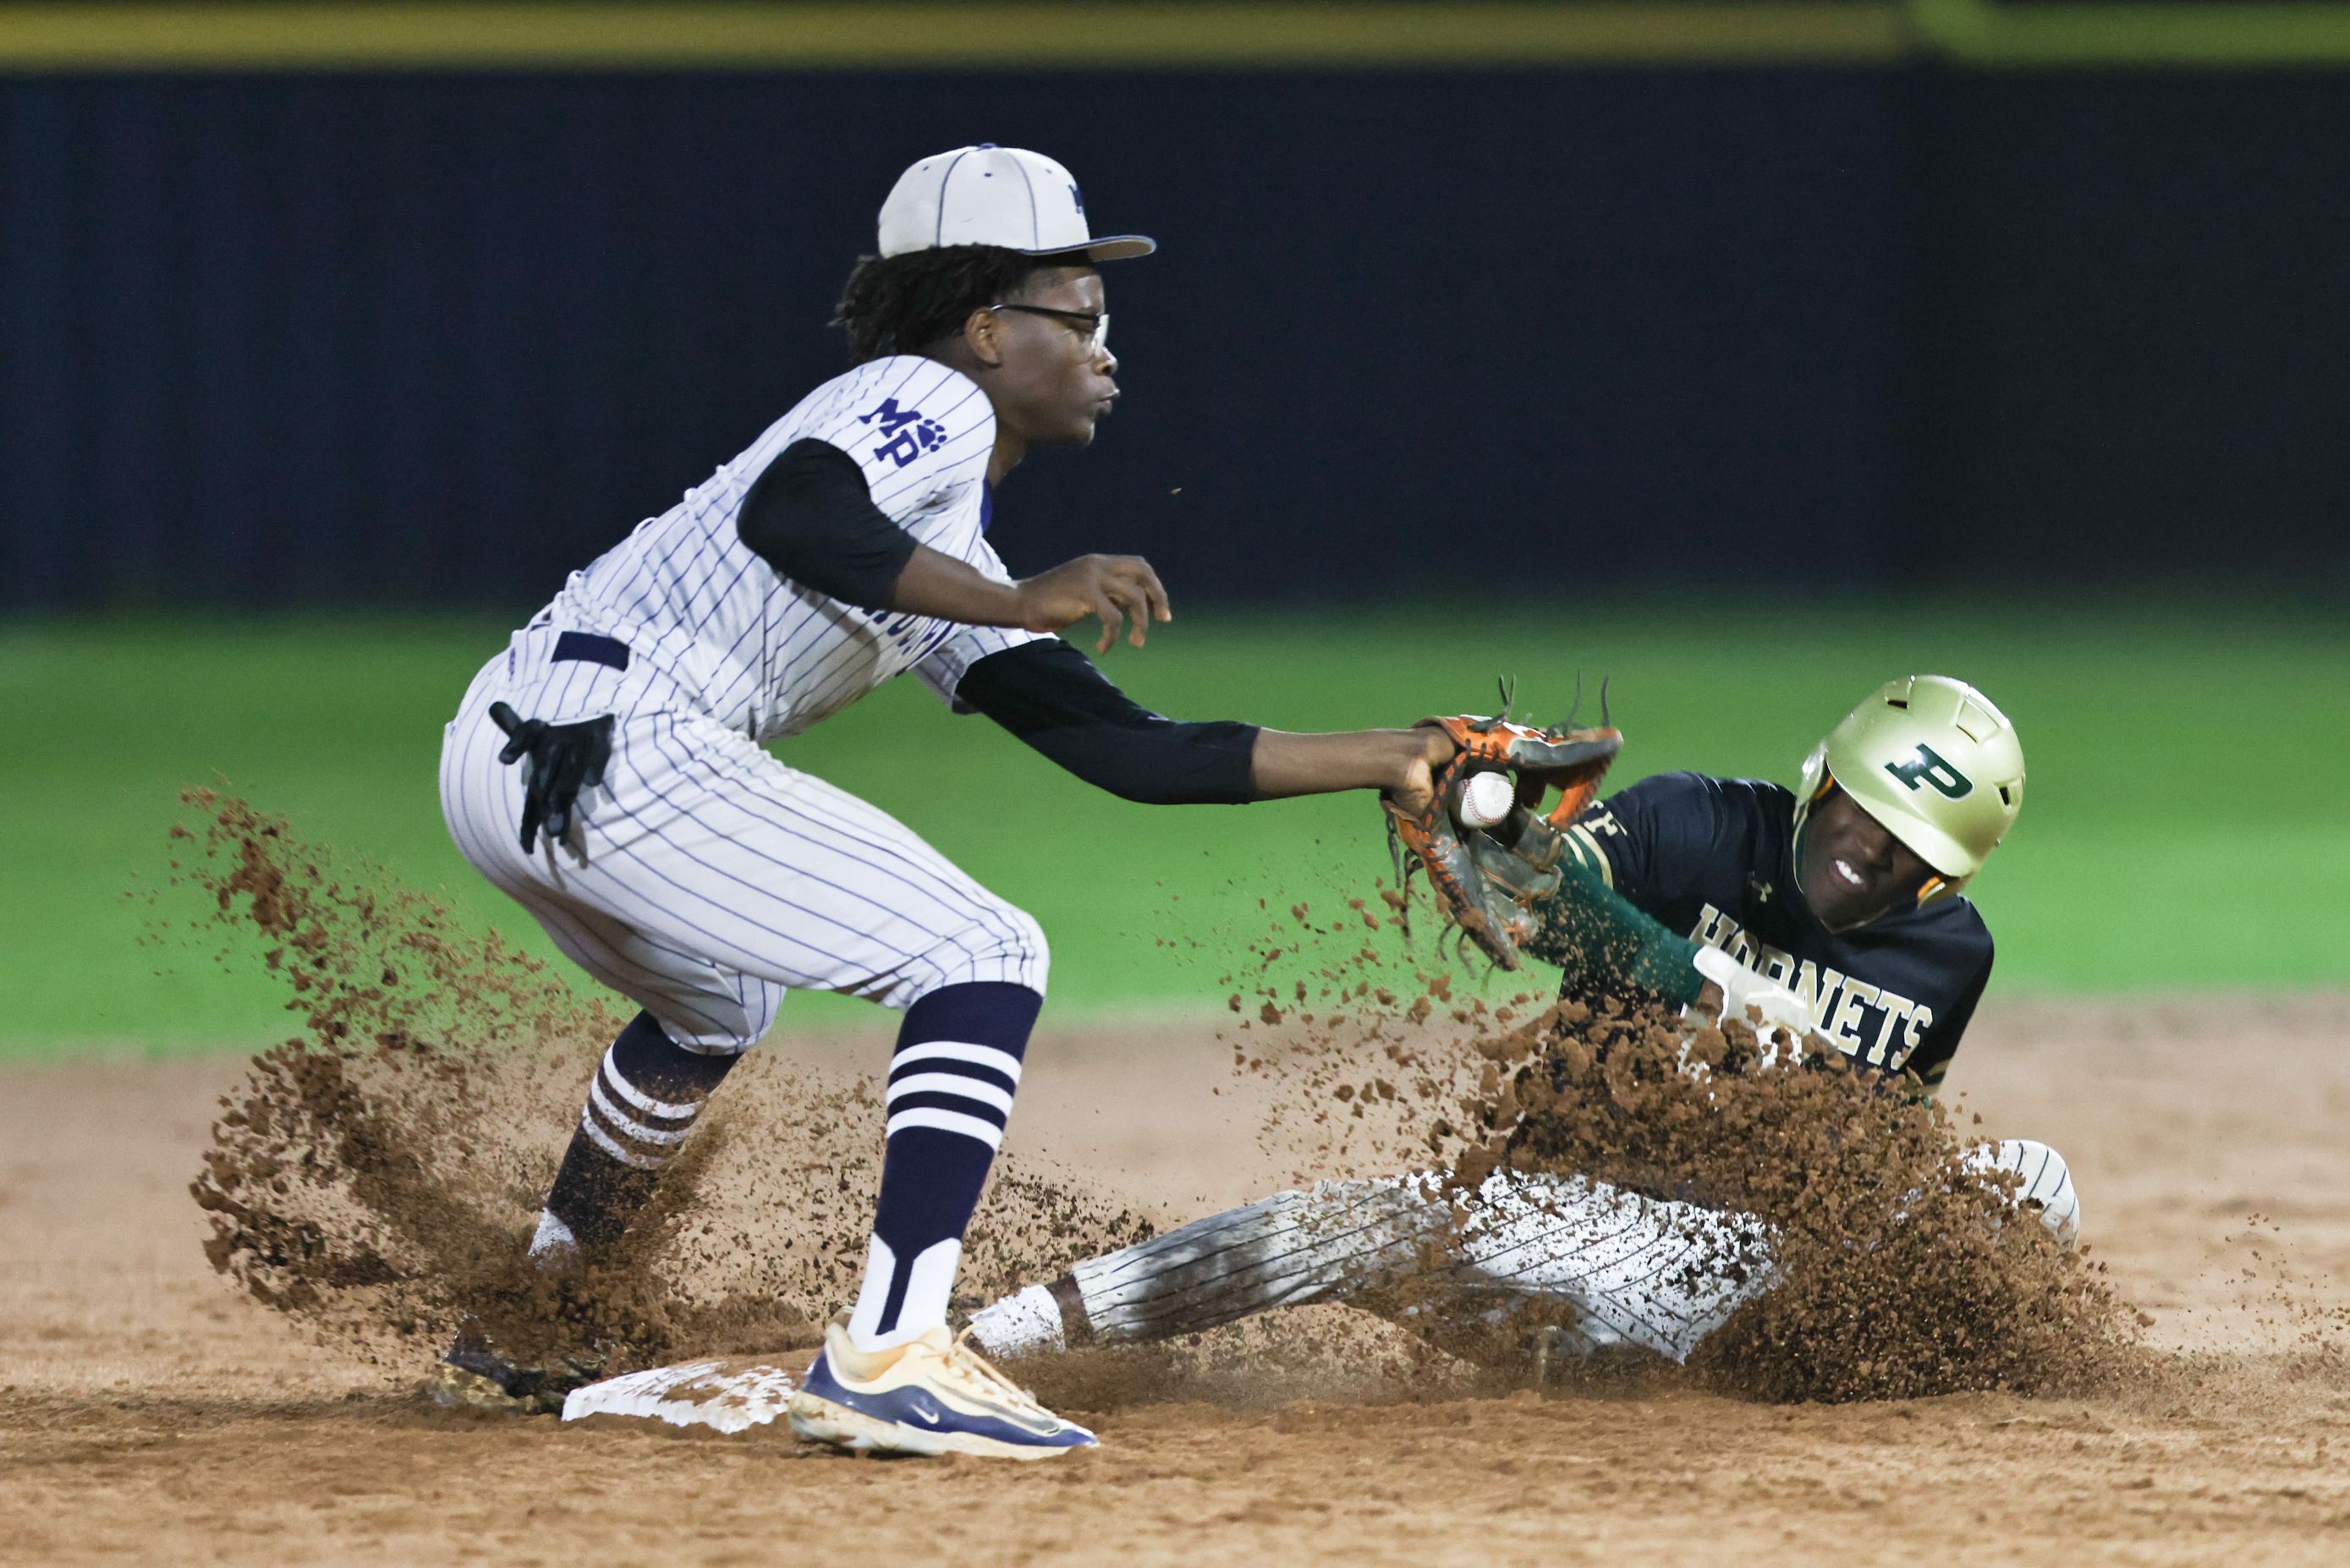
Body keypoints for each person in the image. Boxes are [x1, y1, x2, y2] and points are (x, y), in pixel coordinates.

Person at [431, 145, 1462, 1458]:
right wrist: (1020, 594)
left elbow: (1119, 747)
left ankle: (535, 1319)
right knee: (982, 949)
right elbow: (790, 512)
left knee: (717, 1000)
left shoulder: (937, 546)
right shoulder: (927, 396)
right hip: (616, 739)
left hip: (521, 750)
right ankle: (892, 1351)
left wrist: (1393, 750)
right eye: (1077, 316)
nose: (1105, 348)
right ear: (985, 327)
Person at [965, 675, 2082, 1369]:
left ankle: (1836, 1374)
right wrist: (1693, 973)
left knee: (2030, 1176)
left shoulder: (1948, 957)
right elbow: (1529, 888)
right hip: (1564, 1216)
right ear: (1821, 778)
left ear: (1947, 876)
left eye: (1911, 848)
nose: (1869, 849)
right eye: (1864, 808)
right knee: (1358, 1225)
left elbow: (1883, 1140)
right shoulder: (1694, 823)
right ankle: (995, 1338)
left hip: (1756, 1282)